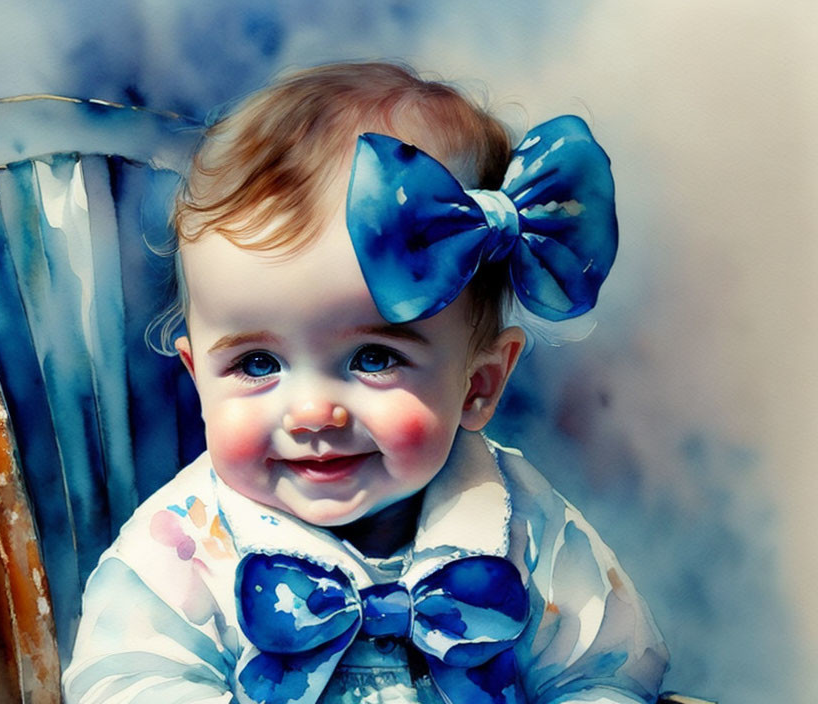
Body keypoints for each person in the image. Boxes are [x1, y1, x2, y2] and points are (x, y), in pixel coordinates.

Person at [63, 61, 669, 704]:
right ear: (197, 378)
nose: (313, 412)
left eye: (373, 358)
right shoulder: (183, 546)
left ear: (479, 384)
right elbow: (123, 684)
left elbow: (606, 672)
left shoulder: (524, 527)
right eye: (256, 365)